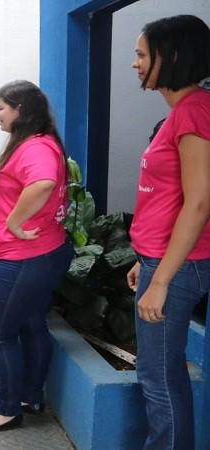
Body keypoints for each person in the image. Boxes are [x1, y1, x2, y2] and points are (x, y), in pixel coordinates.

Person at [0, 80, 74, 433]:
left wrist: (12, 222)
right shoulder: (36, 142)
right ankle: (30, 395)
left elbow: (41, 184)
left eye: (2, 106)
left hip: (27, 256)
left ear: (21, 111)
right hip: (40, 251)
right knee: (29, 323)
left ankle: (7, 409)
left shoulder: (35, 147)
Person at [126, 15, 210, 450]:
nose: (135, 64)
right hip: (164, 260)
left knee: (158, 378)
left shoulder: (195, 110)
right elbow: (168, 200)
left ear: (171, 56)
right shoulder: (186, 112)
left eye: (142, 54)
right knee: (164, 373)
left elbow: (198, 203)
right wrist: (148, 262)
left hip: (177, 267)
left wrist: (161, 279)